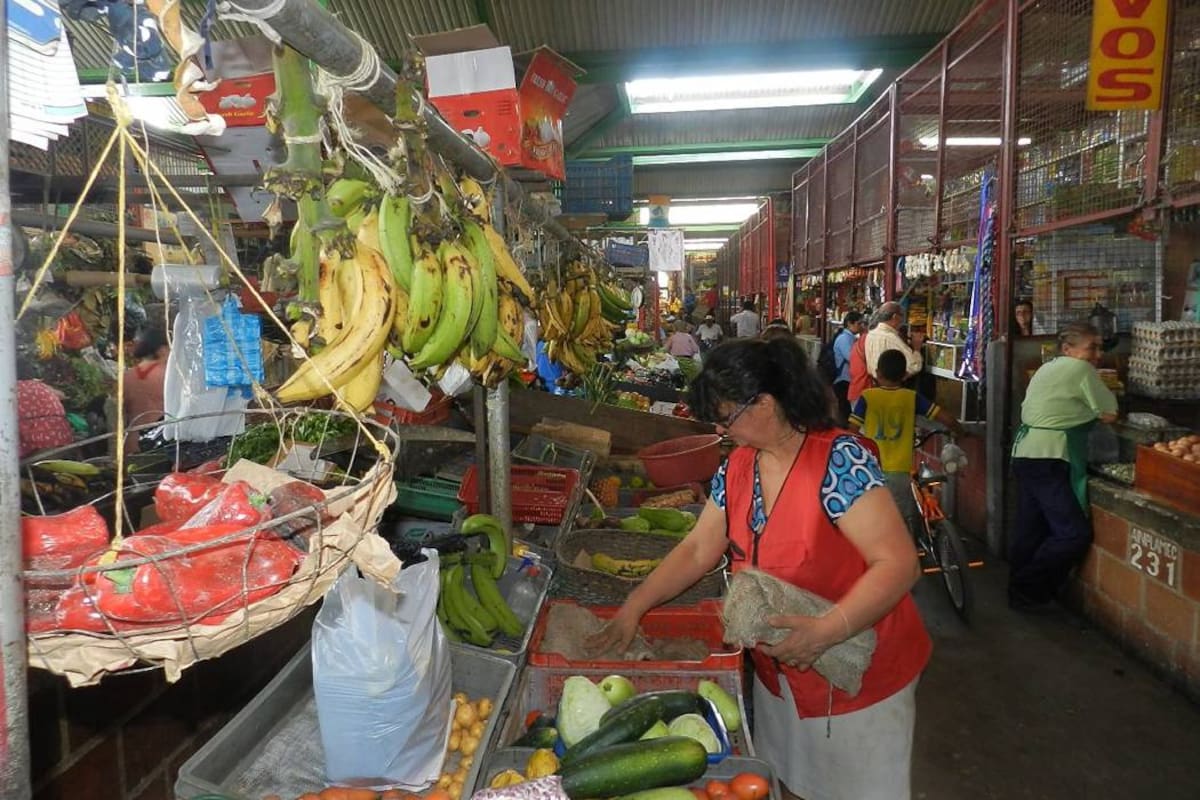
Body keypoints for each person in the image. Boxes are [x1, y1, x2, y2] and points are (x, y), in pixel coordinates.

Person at [589, 337, 930, 800]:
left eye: (727, 416)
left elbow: (899, 564)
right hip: (782, 674)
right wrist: (634, 606)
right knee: (789, 783)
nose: (722, 429)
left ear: (765, 403)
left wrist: (828, 630)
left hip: (858, 675)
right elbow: (696, 551)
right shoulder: (738, 468)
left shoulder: (838, 461)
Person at [1009, 322, 1118, 612]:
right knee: (1073, 533)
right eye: (1090, 347)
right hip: (1051, 456)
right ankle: (1029, 587)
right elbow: (1109, 413)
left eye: (1099, 346)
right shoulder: (1081, 370)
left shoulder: (1046, 368)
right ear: (1068, 349)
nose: (1097, 354)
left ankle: (1018, 592)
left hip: (1025, 453)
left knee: (1030, 528)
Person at [849, 349, 962, 528]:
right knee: (902, 523)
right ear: (904, 375)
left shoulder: (867, 397)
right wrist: (959, 430)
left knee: (874, 520)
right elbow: (946, 418)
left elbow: (852, 430)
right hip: (900, 472)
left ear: (877, 373)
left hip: (872, 470)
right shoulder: (911, 397)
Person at [123, 327, 169, 453]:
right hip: (159, 441)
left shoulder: (126, 377)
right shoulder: (168, 375)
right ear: (162, 350)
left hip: (131, 443)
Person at [17, 361, 75, 459]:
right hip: (62, 444)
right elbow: (62, 395)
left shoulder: (8, 390)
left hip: (37, 452)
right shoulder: (42, 386)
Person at [865, 301, 924, 380]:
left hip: (876, 383)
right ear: (895, 317)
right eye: (902, 316)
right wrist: (917, 349)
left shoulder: (870, 334)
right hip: (891, 386)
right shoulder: (891, 338)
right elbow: (914, 366)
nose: (902, 320)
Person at [831, 311, 865, 423]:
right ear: (850, 323)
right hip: (843, 380)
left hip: (848, 379)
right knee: (846, 413)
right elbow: (852, 358)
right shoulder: (844, 339)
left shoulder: (850, 338)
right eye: (859, 324)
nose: (861, 326)